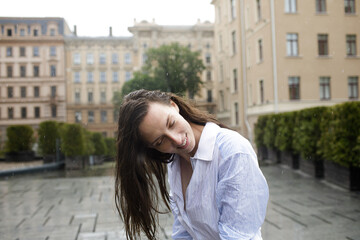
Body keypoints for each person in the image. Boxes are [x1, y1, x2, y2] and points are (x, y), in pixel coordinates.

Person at [115, 89, 269, 240]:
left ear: (173, 106)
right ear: (152, 147)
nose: (176, 140)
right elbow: (184, 231)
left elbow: (237, 235)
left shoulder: (233, 152)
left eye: (171, 123)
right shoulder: (175, 162)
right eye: (160, 141)